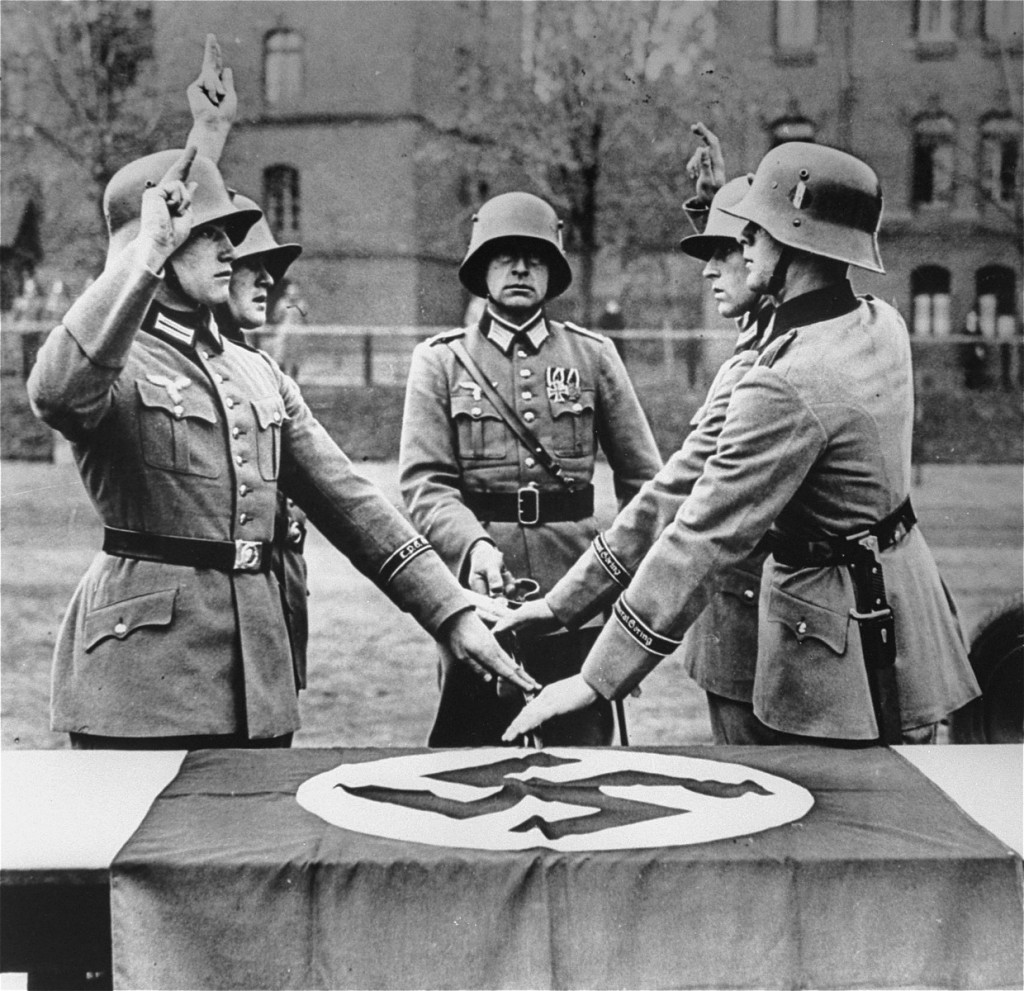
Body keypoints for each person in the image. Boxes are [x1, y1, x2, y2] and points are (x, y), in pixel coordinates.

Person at [27, 146, 536, 750]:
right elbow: (56, 394)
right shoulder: (114, 362)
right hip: (142, 683)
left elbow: (350, 502)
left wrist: (449, 611)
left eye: (228, 234)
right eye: (206, 232)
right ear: (153, 239)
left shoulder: (257, 370)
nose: (229, 250)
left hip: (255, 673)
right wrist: (145, 257)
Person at [502, 142, 980, 747]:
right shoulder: (878, 323)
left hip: (838, 651)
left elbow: (702, 531)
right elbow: (769, 332)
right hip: (903, 618)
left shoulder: (786, 380)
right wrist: (565, 604)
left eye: (754, 232)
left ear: (799, 243)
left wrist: (596, 679)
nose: (742, 242)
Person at [399, 190, 662, 746]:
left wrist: (621, 592)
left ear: (552, 271)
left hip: (579, 590)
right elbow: (426, 484)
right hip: (481, 595)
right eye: (504, 256)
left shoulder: (593, 356)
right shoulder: (441, 361)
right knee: (472, 757)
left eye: (535, 257)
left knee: (580, 756)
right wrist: (473, 547)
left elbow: (645, 485)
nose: (520, 268)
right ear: (481, 269)